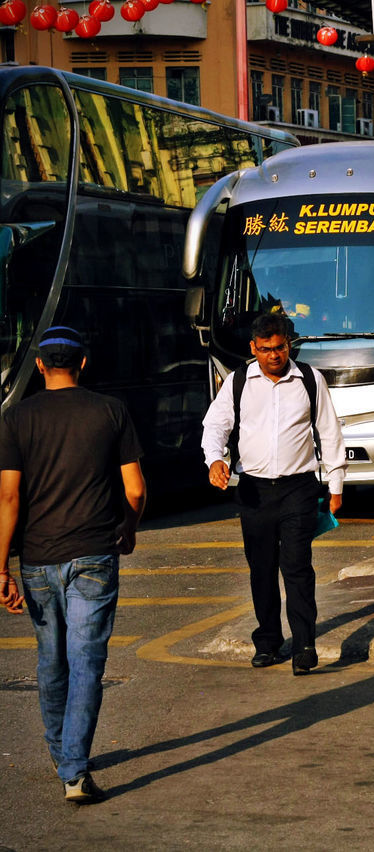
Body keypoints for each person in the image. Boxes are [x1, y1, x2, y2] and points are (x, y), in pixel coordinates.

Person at [0, 326, 147, 803]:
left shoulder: (17, 418)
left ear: (39, 365)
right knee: (87, 661)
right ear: (83, 363)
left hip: (38, 559)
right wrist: (128, 526)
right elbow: (137, 490)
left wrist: (1, 568)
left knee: (51, 660)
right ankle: (75, 772)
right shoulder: (110, 411)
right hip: (93, 554)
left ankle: (63, 756)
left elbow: (8, 497)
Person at [201, 312, 345, 676]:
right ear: (254, 348)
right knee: (261, 569)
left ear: (289, 344)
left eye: (279, 348)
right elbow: (215, 426)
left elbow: (329, 433)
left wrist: (336, 484)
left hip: (299, 487)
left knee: (297, 566)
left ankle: (305, 645)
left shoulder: (310, 380)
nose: (273, 356)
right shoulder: (237, 383)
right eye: (265, 349)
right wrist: (215, 460)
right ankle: (267, 643)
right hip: (254, 491)